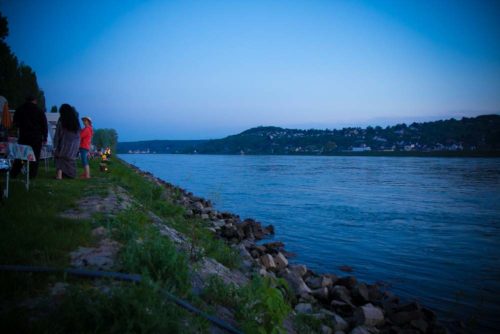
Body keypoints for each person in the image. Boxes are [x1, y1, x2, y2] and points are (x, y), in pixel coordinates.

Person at [10, 94, 48, 179]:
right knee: (35, 157)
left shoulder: (20, 109)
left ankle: (14, 172)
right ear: (34, 100)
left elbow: (15, 123)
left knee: (21, 156)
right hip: (36, 137)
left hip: (24, 136)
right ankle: (32, 175)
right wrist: (45, 137)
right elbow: (44, 125)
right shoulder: (39, 110)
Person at [53, 104, 80, 179]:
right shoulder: (76, 123)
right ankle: (70, 174)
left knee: (60, 157)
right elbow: (78, 137)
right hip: (73, 148)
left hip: (63, 147)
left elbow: (57, 136)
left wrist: (55, 146)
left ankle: (59, 175)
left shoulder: (61, 121)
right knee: (69, 160)